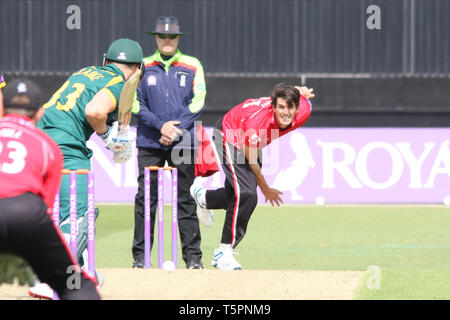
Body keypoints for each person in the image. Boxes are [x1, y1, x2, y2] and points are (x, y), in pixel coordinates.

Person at [29, 38, 144, 299]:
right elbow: (94, 111)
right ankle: (51, 280)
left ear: (106, 61)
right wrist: (106, 134)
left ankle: (77, 271)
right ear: (138, 69)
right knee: (80, 216)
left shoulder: (84, 72)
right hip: (66, 146)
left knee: (55, 214)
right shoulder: (117, 84)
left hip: (37, 140)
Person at [190, 83, 315, 270]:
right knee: (248, 194)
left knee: (239, 195)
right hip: (230, 134)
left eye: (290, 107)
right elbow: (251, 158)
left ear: (297, 108)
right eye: (281, 107)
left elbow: (302, 97)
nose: (286, 113)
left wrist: (299, 92)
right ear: (273, 107)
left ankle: (204, 198)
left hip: (250, 139)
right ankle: (224, 252)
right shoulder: (258, 123)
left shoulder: (303, 111)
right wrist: (265, 188)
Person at [0, 78, 100, 299]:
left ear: (3, 108)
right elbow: (46, 205)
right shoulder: (48, 145)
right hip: (26, 212)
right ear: (39, 114)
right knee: (76, 285)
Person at [131, 16, 207, 269]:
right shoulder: (142, 65)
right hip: (149, 140)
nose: (167, 40)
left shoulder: (192, 64)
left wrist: (174, 129)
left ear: (178, 39)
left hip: (182, 140)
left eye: (171, 36)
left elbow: (198, 101)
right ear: (155, 37)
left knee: (184, 199)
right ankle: (141, 259)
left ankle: (193, 259)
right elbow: (134, 102)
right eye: (162, 36)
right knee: (146, 199)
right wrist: (159, 126)